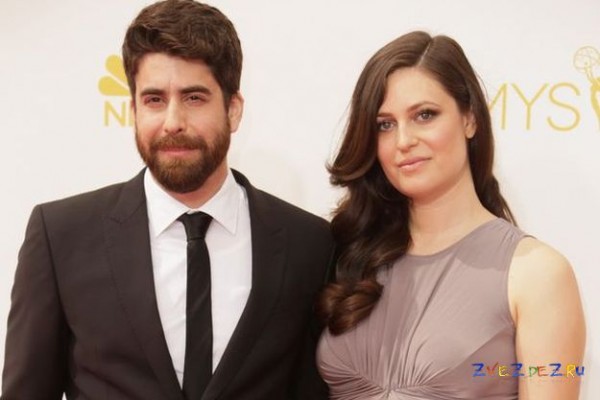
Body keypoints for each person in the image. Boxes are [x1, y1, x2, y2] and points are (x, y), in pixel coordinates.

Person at [1, 1, 332, 399]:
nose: (173, 122)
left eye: (194, 98)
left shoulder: (308, 243)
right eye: (154, 100)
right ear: (133, 109)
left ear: (233, 110)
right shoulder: (61, 237)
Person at [316, 31, 585, 400]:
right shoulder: (348, 253)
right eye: (385, 124)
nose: (403, 141)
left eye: (424, 115)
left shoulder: (538, 274)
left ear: (470, 118)